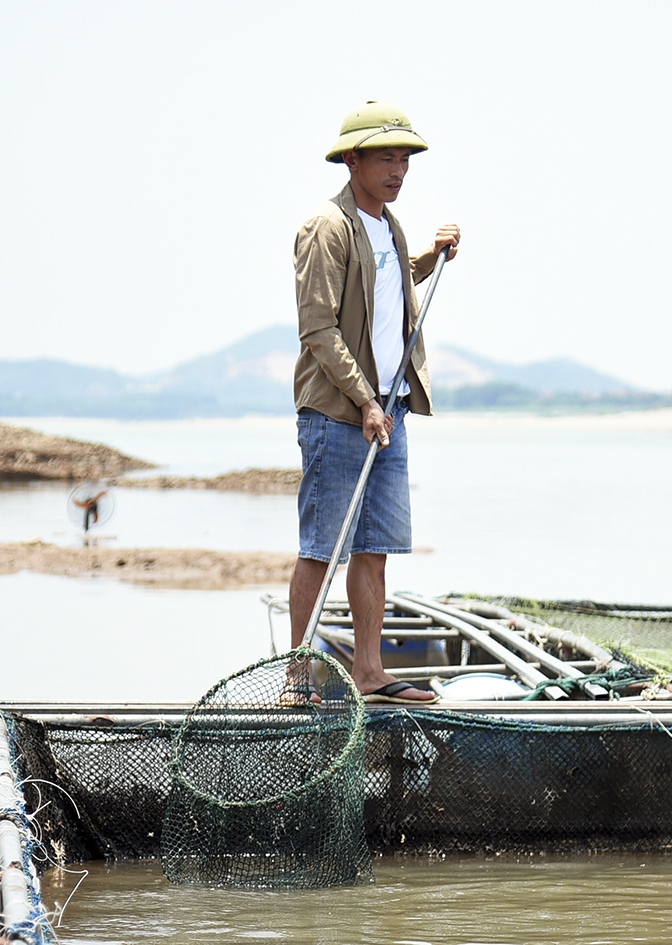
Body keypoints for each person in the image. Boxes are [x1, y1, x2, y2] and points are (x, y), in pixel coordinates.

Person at [287, 101, 459, 705]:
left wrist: (431, 258)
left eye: (405, 158)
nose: (399, 169)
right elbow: (319, 328)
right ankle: (299, 679)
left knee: (375, 549)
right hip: (339, 416)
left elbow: (385, 282)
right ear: (352, 159)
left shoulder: (388, 225)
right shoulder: (326, 226)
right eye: (387, 156)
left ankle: (369, 672)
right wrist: (363, 400)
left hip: (389, 412)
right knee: (321, 549)